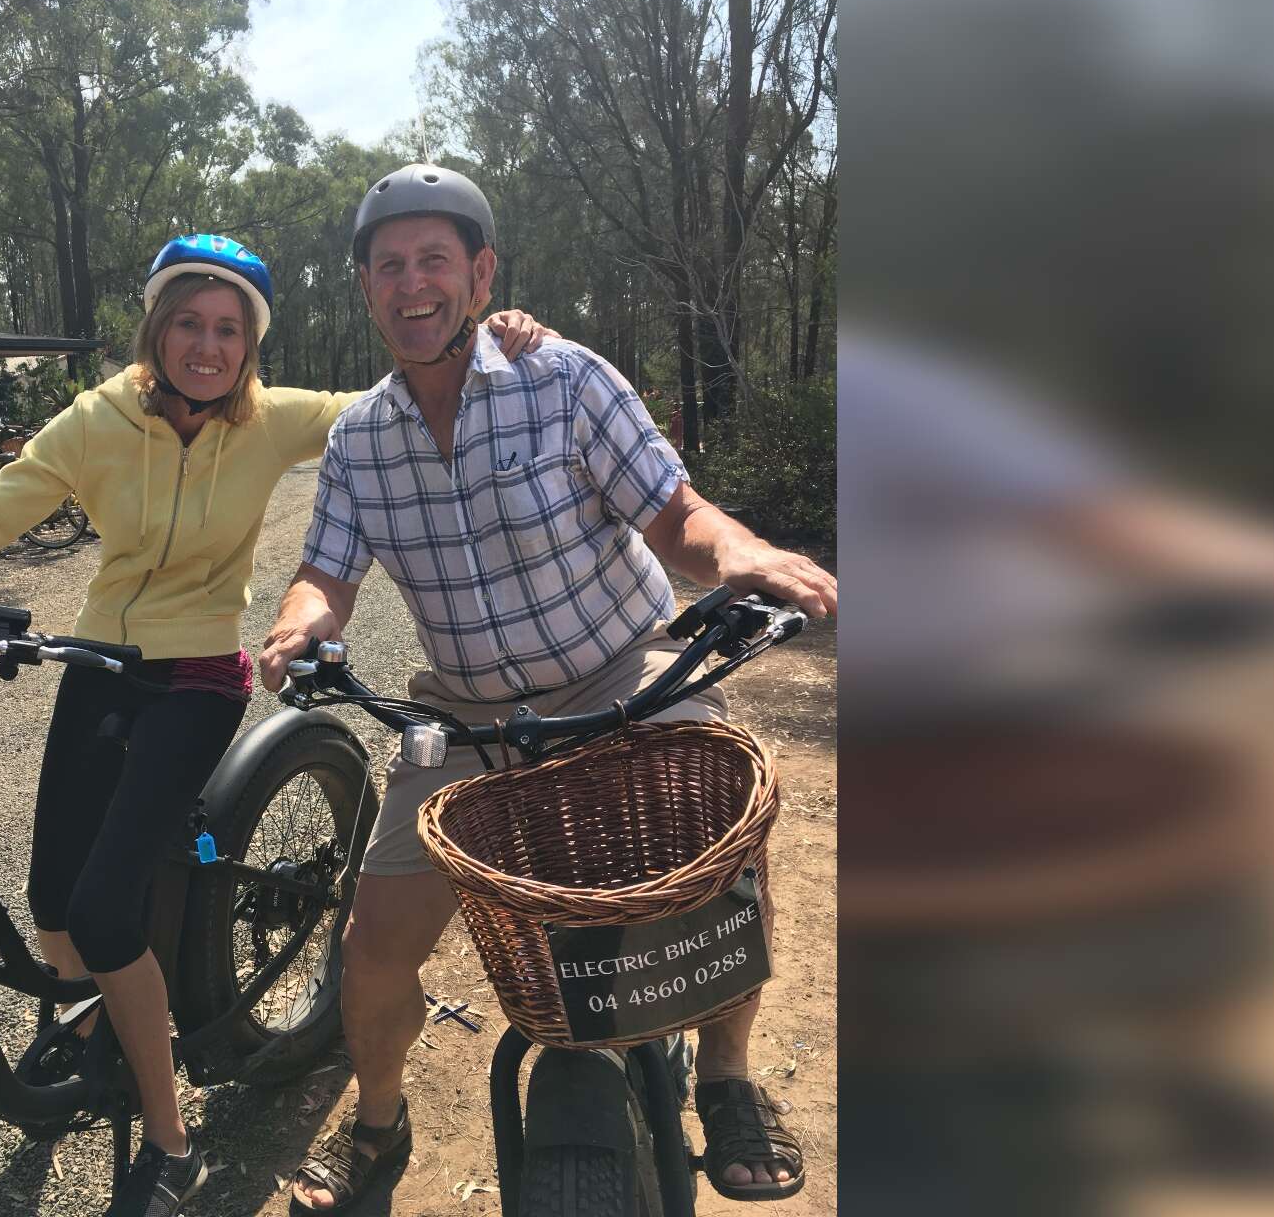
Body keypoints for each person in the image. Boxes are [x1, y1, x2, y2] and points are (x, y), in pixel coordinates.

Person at [0, 233, 551, 1217]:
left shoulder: (272, 421)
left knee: (104, 913)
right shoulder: (95, 420)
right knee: (52, 902)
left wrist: (492, 340)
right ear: (157, 329)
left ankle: (171, 1142)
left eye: (229, 329)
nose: (207, 345)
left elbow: (399, 396)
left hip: (198, 676)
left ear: (250, 344)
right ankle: (108, 1027)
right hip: (99, 665)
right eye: (189, 323)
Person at [255, 166, 839, 1212]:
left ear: (479, 275)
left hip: (626, 671)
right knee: (373, 949)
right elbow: (326, 572)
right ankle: (379, 1122)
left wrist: (741, 553)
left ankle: (726, 1075)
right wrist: (302, 619)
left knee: (725, 855)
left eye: (434, 260)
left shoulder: (563, 378)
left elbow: (674, 513)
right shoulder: (358, 440)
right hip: (465, 715)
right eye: (389, 265)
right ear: (366, 289)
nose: (412, 283)